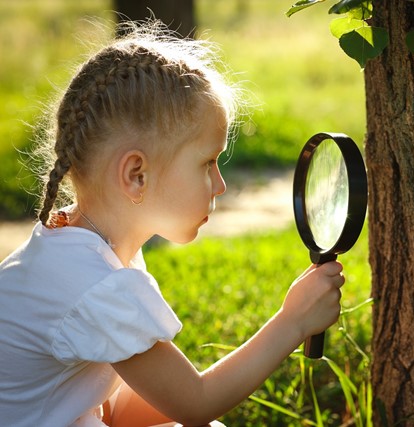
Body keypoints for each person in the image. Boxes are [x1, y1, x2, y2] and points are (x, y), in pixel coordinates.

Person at [0, 20, 345, 427]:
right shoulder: (98, 285)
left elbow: (120, 408)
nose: (220, 185)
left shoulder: (81, 252)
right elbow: (195, 404)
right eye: (207, 163)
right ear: (136, 175)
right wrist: (294, 322)